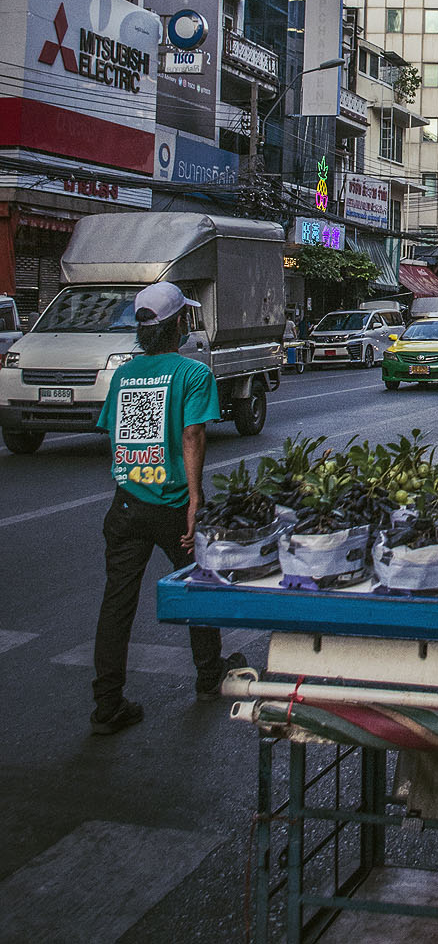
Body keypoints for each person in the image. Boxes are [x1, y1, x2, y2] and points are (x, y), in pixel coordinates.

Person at [90, 282, 245, 735]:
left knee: (117, 602)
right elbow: (192, 436)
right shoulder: (192, 374)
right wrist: (195, 500)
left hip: (125, 505)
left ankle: (107, 703)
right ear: (180, 323)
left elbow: (117, 435)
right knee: (199, 587)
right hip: (175, 504)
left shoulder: (124, 376)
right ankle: (208, 675)